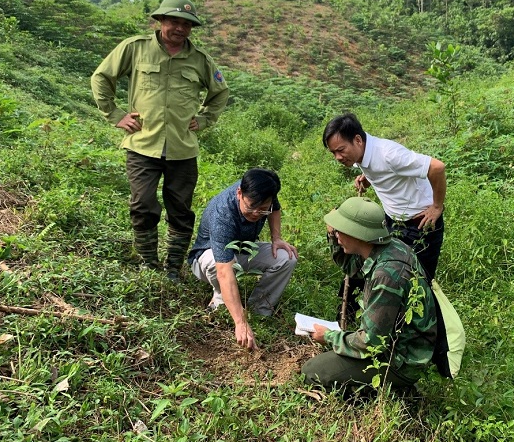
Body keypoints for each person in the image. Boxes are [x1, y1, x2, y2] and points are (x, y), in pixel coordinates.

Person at [91, 0, 229, 281]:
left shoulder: (200, 60)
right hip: (142, 145)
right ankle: (148, 263)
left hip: (182, 149)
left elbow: (220, 93)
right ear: (161, 21)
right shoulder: (135, 48)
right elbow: (102, 77)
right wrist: (115, 114)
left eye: (187, 24)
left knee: (180, 209)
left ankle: (173, 268)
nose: (180, 28)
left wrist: (203, 120)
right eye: (174, 21)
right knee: (142, 204)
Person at [302, 196, 437, 391]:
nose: (337, 235)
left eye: (341, 231)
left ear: (359, 234)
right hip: (399, 346)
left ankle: (399, 391)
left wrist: (330, 336)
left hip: (401, 361)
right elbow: (351, 267)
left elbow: (372, 343)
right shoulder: (391, 247)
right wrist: (332, 235)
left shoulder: (386, 276)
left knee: (313, 371)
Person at [322, 113, 446, 282]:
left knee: (418, 282)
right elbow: (381, 169)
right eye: (333, 152)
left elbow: (437, 167)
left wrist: (437, 206)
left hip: (420, 224)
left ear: (358, 140)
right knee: (388, 275)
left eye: (341, 150)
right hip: (391, 222)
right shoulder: (361, 153)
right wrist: (368, 179)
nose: (337, 157)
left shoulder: (389, 154)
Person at [188, 168, 298, 349]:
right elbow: (224, 270)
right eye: (251, 207)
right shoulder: (223, 213)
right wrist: (240, 323)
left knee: (287, 258)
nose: (256, 213)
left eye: (262, 209)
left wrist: (276, 238)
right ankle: (222, 300)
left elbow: (275, 209)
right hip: (208, 258)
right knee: (225, 266)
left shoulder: (264, 192)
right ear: (239, 193)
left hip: (243, 250)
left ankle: (259, 310)